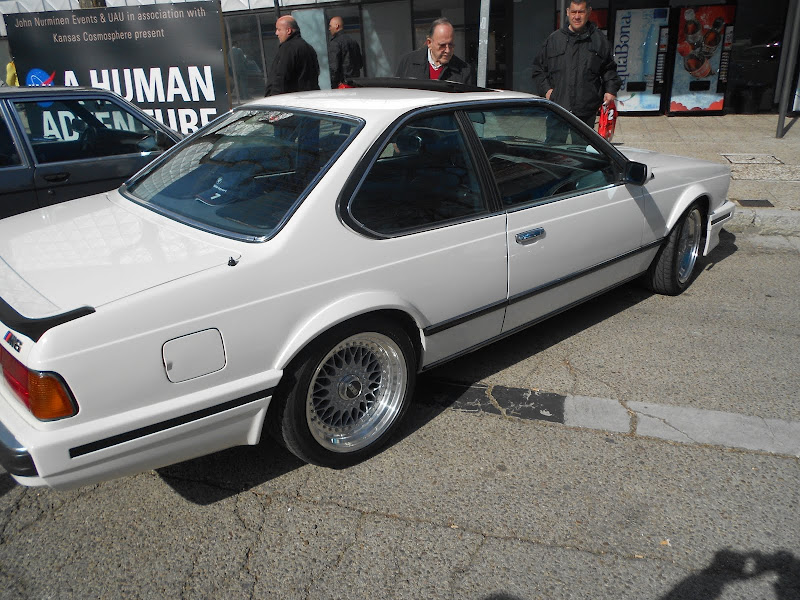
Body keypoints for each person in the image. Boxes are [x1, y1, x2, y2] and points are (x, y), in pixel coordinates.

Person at [531, 0, 620, 133]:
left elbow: (609, 69)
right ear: (567, 12)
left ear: (588, 12)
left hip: (586, 111)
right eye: (573, 12)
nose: (577, 16)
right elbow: (538, 69)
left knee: (581, 151)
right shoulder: (554, 40)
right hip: (558, 110)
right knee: (555, 150)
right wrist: (548, 92)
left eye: (581, 12)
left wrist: (610, 90)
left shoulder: (599, 40)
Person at [395, 18, 475, 85]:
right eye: (442, 45)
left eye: (451, 45)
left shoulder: (464, 71)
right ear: (429, 43)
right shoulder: (408, 62)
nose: (447, 50)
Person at [265, 16, 320, 96]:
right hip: (309, 97)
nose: (276, 33)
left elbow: (281, 76)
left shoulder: (288, 48)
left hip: (292, 99)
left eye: (279, 29)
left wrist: (273, 98)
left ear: (288, 30)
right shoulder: (308, 47)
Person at [328, 16, 363, 88]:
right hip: (355, 84)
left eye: (330, 26)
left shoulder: (335, 43)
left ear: (337, 26)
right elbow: (360, 64)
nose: (329, 28)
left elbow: (334, 68)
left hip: (343, 85)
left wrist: (334, 85)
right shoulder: (353, 41)